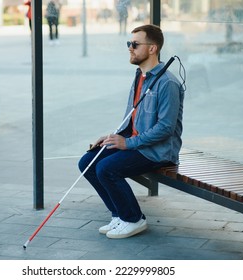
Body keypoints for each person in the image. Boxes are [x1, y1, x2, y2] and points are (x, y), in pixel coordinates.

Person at [78, 24, 185, 239]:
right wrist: (113, 137)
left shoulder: (168, 84)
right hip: (136, 142)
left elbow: (165, 128)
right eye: (129, 43)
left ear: (152, 48)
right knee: (87, 162)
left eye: (135, 44)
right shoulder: (140, 76)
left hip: (158, 151)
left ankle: (134, 219)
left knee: (107, 169)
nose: (130, 48)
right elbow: (132, 118)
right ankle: (119, 214)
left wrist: (127, 144)